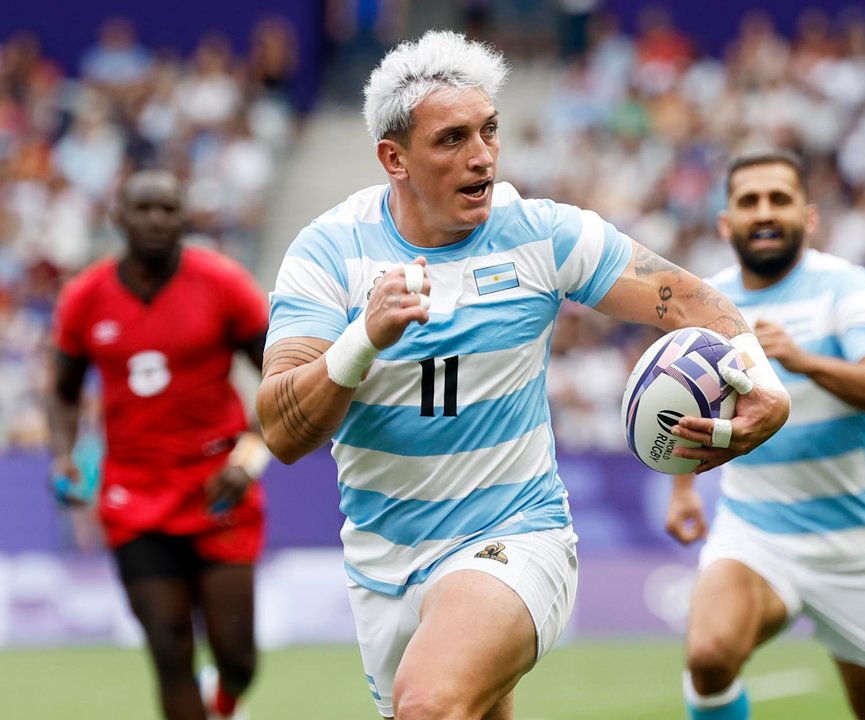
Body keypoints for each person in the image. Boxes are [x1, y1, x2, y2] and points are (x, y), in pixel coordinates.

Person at [256, 30, 790, 720]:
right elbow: (280, 429)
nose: (482, 155)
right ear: (394, 158)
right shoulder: (327, 255)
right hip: (383, 558)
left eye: (489, 130)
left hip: (515, 534)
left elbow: (691, 299)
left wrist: (764, 381)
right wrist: (365, 337)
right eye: (451, 139)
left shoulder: (541, 233)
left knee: (430, 706)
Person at [666, 150, 865, 720]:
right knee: (707, 658)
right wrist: (683, 489)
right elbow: (676, 401)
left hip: (852, 545)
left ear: (809, 217)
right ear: (725, 223)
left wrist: (803, 361)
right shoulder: (708, 303)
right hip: (755, 531)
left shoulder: (845, 287)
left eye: (779, 199)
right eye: (749, 201)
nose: (764, 212)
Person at [47, 169, 270, 720]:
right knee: (169, 652)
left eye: (167, 209)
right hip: (133, 497)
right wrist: (64, 455)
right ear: (117, 217)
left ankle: (226, 699)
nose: (154, 220)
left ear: (184, 218)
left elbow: (286, 378)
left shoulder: (223, 284)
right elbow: (63, 392)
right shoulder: (85, 298)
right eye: (142, 209)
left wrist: (252, 456)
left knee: (238, 658)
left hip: (219, 487)